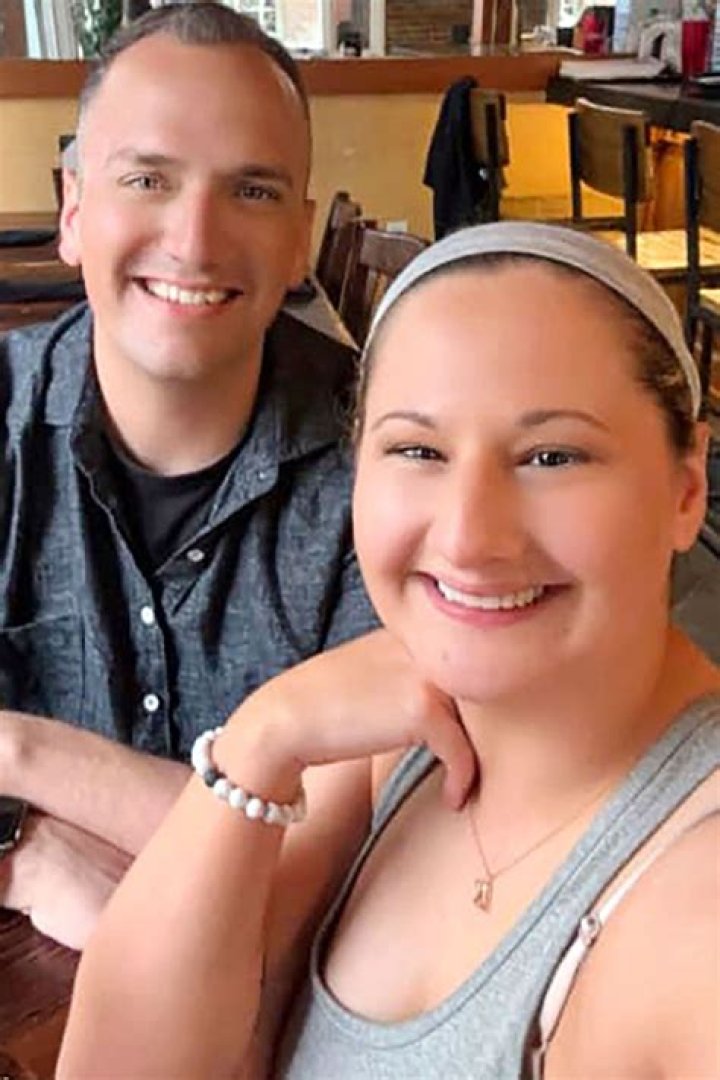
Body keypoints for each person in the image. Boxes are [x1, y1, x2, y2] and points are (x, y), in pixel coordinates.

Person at [58, 221, 719, 1079]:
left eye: (552, 456)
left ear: (686, 489)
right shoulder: (390, 744)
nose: (469, 536)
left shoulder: (696, 903)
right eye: (417, 450)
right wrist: (265, 734)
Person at [0, 4, 375, 949]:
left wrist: (17, 750)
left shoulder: (391, 464)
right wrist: (22, 849)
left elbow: (359, 865)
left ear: (298, 238)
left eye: (251, 190)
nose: (196, 241)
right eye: (148, 180)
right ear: (74, 209)